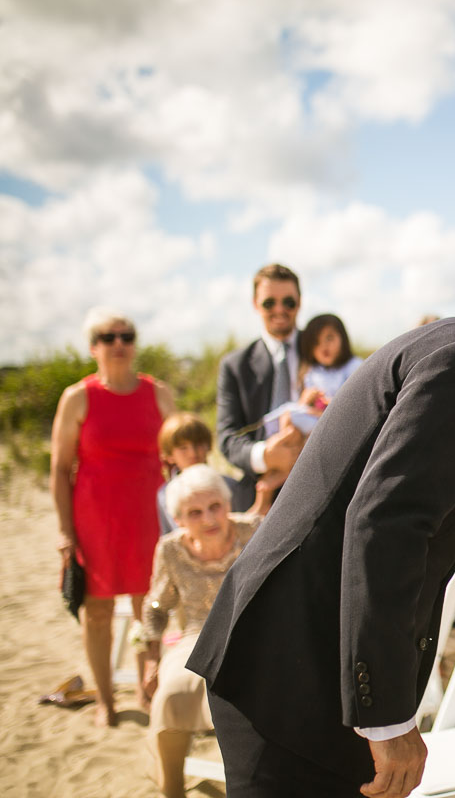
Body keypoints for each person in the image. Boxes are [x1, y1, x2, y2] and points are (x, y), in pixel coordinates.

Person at [188, 231, 455, 797]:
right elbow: (386, 521)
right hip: (295, 673)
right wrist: (387, 719)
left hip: (297, 659)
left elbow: (424, 498)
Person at [49, 307, 175, 726]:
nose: (118, 343)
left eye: (126, 336)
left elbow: (176, 458)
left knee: (148, 607)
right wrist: (65, 531)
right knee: (98, 612)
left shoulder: (158, 393)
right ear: (93, 347)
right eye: (108, 337)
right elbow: (59, 469)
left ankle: (145, 689)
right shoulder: (78, 397)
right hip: (95, 522)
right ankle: (105, 700)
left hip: (148, 519)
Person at [142, 464, 270, 798]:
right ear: (178, 519)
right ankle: (172, 786)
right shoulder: (170, 549)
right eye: (195, 513)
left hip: (254, 630)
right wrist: (151, 656)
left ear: (228, 503)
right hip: (196, 634)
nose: (209, 519)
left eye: (215, 506)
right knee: (171, 692)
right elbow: (155, 607)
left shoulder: (256, 530)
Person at [215, 263, 304, 511]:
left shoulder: (325, 351)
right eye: (269, 303)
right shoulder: (235, 366)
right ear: (255, 304)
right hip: (262, 495)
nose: (279, 309)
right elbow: (227, 437)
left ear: (300, 302)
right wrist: (266, 455)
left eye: (288, 302)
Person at [155, 412, 256, 536]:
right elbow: (168, 534)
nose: (193, 453)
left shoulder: (229, 485)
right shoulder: (165, 494)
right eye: (183, 448)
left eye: (198, 445)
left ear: (208, 446)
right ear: (169, 455)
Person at [298, 313, 364, 412]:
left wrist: (332, 403)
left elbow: (360, 402)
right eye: (316, 342)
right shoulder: (311, 372)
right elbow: (305, 405)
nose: (324, 346)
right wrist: (306, 399)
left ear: (342, 338)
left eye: (329, 338)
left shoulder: (355, 366)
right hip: (316, 416)